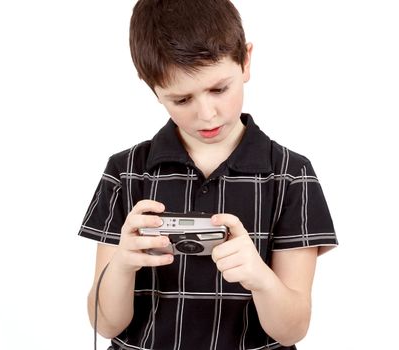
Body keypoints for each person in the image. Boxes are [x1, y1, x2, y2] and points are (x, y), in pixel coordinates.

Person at [78, 0, 338, 349]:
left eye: (219, 89)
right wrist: (122, 265)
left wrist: (260, 278)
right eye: (181, 100)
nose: (207, 113)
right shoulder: (126, 173)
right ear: (152, 88)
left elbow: (292, 330)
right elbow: (106, 324)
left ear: (246, 61)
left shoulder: (292, 175)